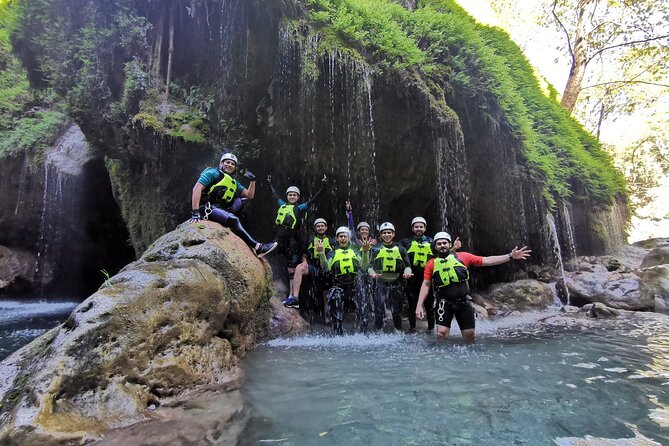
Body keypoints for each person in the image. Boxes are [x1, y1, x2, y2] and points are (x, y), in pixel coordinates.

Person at [416, 232, 531, 342]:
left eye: (444, 243)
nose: (442, 246)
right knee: (441, 334)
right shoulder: (431, 263)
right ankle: (443, 358)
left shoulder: (463, 257)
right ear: (435, 247)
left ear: (450, 244)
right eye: (439, 244)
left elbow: (486, 260)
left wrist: (510, 256)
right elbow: (426, 285)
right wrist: (419, 305)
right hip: (444, 303)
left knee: (470, 335)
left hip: (463, 301)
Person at [190, 152, 277, 257]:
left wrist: (253, 180)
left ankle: (232, 224)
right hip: (206, 208)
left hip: (221, 208)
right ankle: (258, 247)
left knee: (244, 200)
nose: (230, 165)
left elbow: (250, 195)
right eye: (227, 162)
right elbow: (196, 189)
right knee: (234, 220)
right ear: (221, 163)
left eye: (232, 164)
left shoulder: (233, 182)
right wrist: (195, 212)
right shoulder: (213, 173)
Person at [318, 226, 372, 335]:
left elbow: (364, 266)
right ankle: (338, 335)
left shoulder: (356, 252)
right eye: (340, 236)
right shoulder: (332, 253)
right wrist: (321, 254)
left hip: (355, 286)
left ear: (348, 238)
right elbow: (325, 268)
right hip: (339, 286)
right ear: (337, 239)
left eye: (345, 236)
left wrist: (365, 252)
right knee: (336, 310)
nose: (343, 238)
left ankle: (363, 334)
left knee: (363, 310)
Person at [268, 175, 327, 269]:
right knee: (277, 259)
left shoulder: (300, 208)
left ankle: (291, 279)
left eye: (294, 195)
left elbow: (313, 200)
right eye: (290, 195)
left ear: (298, 197)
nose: (292, 197)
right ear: (287, 196)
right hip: (280, 239)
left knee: (292, 264)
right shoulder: (282, 205)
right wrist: (269, 183)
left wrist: (323, 187)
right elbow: (275, 196)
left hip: (292, 240)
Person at [283, 218, 335, 315]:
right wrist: (304, 261)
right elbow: (304, 253)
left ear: (326, 227)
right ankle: (295, 299)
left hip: (327, 271)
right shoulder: (310, 239)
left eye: (322, 226)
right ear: (315, 228)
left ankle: (328, 317)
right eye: (318, 226)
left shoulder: (332, 240)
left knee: (326, 293)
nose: (320, 228)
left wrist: (322, 253)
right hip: (314, 268)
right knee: (299, 268)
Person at [368, 222, 413, 331]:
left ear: (393, 234)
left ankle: (398, 332)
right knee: (379, 310)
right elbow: (369, 266)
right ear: (380, 235)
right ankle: (377, 332)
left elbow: (407, 266)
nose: (387, 235)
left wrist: (407, 272)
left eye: (389, 232)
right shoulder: (375, 249)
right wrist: (372, 273)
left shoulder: (401, 249)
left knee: (396, 311)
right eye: (384, 233)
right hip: (380, 283)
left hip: (396, 283)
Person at [399, 217, 434, 333]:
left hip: (427, 278)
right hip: (411, 279)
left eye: (421, 226)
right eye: (416, 227)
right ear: (412, 228)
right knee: (412, 304)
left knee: (429, 305)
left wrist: (454, 248)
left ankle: (431, 328)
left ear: (425, 228)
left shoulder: (432, 242)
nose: (419, 229)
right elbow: (397, 256)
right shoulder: (405, 242)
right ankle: (412, 327)